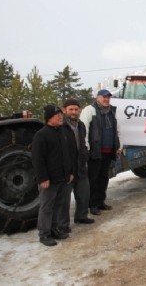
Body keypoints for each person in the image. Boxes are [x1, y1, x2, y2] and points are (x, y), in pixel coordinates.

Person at [32, 104, 75, 246]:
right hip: (49, 180)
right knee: (47, 207)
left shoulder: (62, 132)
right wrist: (43, 178)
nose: (61, 117)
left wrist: (70, 172)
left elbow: (67, 155)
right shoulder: (41, 135)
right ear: (50, 118)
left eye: (61, 115)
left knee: (59, 205)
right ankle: (44, 234)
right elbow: (38, 159)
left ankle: (54, 229)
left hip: (62, 177)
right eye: (58, 115)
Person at [80, 89, 121, 216]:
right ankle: (92, 204)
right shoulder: (89, 110)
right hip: (95, 152)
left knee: (104, 178)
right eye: (103, 97)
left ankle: (101, 201)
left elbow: (118, 130)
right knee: (93, 178)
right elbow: (83, 129)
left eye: (108, 97)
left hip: (109, 151)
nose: (106, 99)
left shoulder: (112, 112)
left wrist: (120, 146)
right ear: (97, 98)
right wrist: (86, 146)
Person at [58, 99, 95, 234]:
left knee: (84, 193)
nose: (74, 112)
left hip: (81, 165)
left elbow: (83, 143)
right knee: (65, 199)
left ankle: (81, 216)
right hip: (67, 168)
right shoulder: (60, 126)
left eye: (76, 109)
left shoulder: (81, 125)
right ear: (64, 110)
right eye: (71, 109)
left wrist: (85, 157)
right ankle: (63, 225)